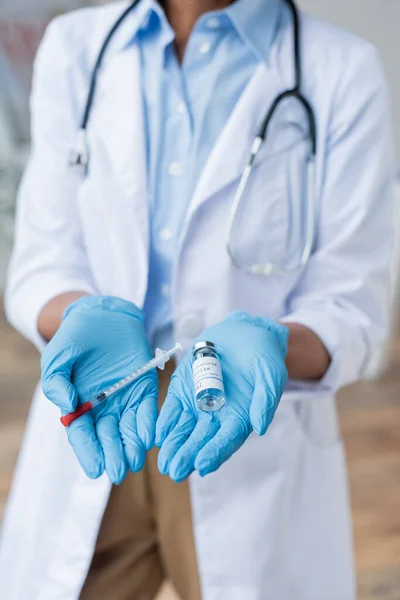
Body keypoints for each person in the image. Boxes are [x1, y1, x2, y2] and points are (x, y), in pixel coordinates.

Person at [0, 0, 394, 598]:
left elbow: (354, 308)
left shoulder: (341, 69)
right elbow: (42, 258)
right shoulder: (75, 46)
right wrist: (75, 314)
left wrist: (275, 345)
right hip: (102, 410)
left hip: (244, 422)